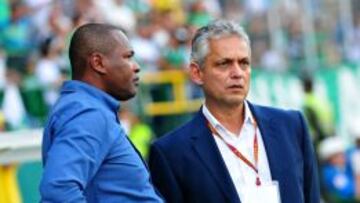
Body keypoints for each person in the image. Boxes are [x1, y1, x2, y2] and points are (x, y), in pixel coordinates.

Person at [148, 20, 320, 203]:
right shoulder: (171, 152)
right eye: (224, 64)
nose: (237, 73)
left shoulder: (291, 126)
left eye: (244, 63)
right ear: (197, 73)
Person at [40, 23, 163, 203]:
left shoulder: (86, 107)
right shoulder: (87, 112)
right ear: (98, 63)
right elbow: (58, 192)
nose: (136, 67)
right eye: (127, 57)